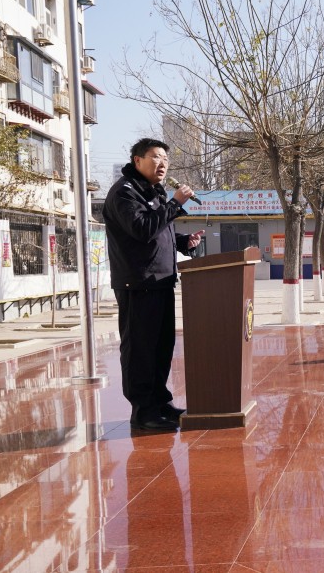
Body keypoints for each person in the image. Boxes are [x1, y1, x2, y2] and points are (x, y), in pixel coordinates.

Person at [103, 138, 204, 431]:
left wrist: (185, 242)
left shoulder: (153, 191)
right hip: (138, 283)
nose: (162, 164)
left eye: (165, 159)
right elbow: (143, 229)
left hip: (161, 281)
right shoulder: (124, 192)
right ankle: (143, 410)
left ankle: (161, 402)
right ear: (137, 161)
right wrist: (175, 203)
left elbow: (161, 233)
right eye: (155, 157)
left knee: (161, 347)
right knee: (140, 349)